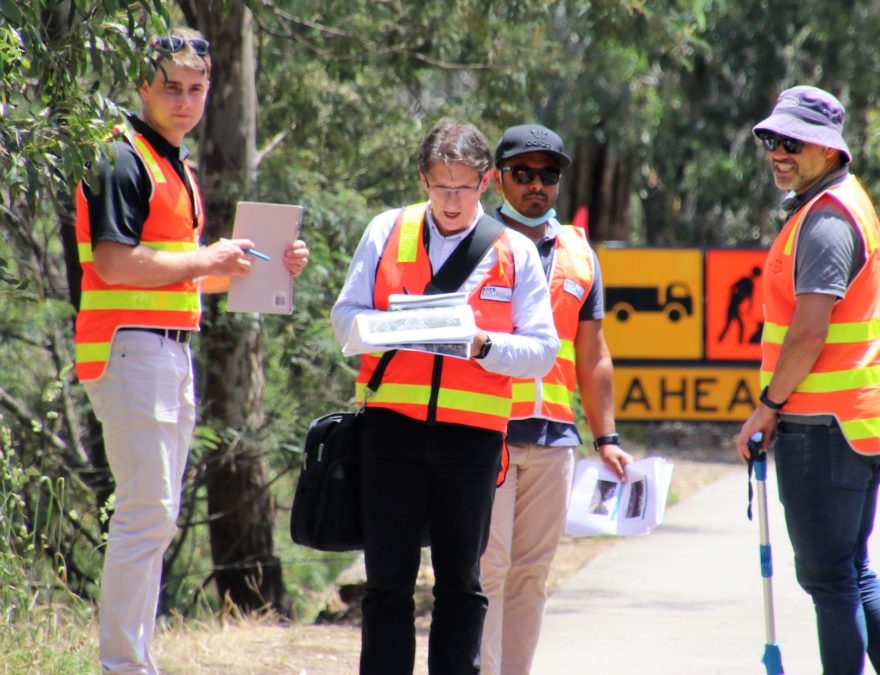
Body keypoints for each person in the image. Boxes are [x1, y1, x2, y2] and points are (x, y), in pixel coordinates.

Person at [74, 28, 310, 674]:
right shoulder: (120, 156)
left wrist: (264, 266)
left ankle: (133, 660)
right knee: (146, 515)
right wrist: (210, 256)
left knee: (156, 517)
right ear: (143, 85)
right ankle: (124, 666)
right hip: (129, 351)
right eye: (171, 87)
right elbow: (117, 263)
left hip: (167, 354)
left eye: (196, 89)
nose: (185, 101)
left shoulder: (173, 164)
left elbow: (182, 272)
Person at [330, 118, 559, 674]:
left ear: (485, 182)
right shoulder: (387, 230)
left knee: (461, 583)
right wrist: (387, 330)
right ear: (422, 180)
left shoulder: (514, 251)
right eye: (439, 186)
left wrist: (483, 345)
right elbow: (345, 318)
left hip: (473, 439)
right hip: (391, 431)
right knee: (387, 582)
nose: (451, 200)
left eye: (463, 186)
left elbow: (542, 350)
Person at [734, 86, 880, 674]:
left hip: (825, 428)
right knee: (850, 571)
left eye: (792, 142)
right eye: (770, 140)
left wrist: (767, 406)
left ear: (829, 149)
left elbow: (808, 333)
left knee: (829, 579)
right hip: (856, 424)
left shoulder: (827, 221)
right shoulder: (835, 205)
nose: (777, 153)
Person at [479, 124, 633, 675]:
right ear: (498, 179)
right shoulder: (475, 239)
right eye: (523, 174)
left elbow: (592, 354)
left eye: (547, 175)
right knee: (487, 568)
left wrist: (607, 437)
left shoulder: (579, 252)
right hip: (486, 428)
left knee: (530, 573)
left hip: (553, 437)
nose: (535, 185)